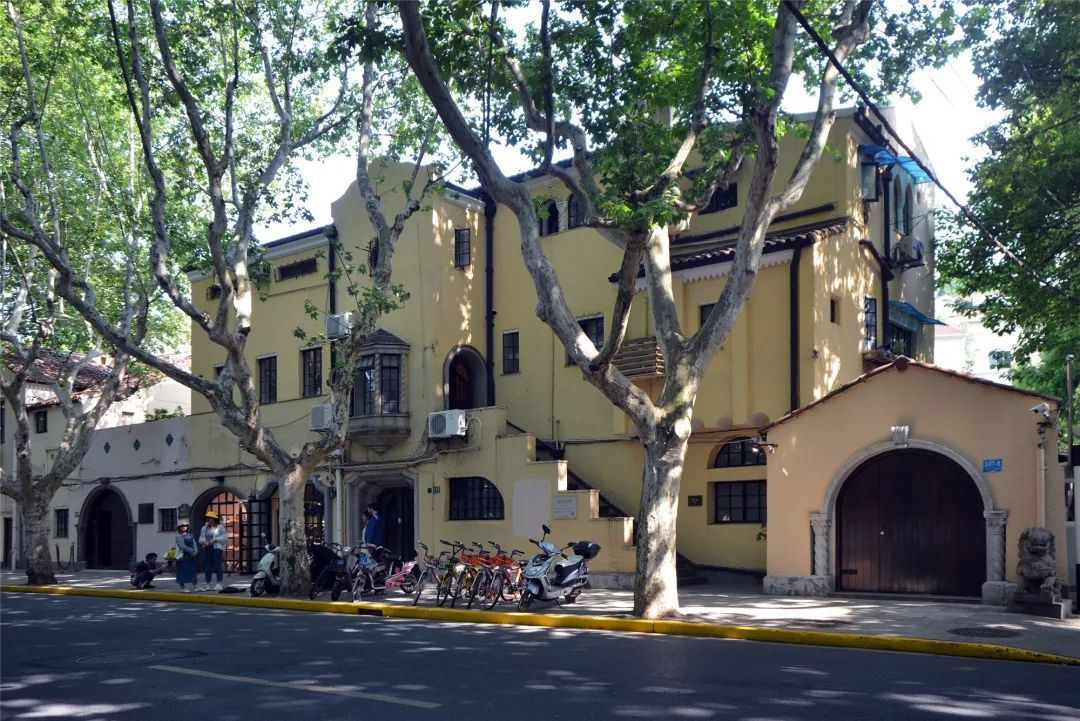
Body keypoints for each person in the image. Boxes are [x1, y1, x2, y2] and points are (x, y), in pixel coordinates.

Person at [198, 511, 227, 591]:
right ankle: (208, 584)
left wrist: (215, 540)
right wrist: (204, 542)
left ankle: (219, 584)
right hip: (207, 548)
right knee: (208, 566)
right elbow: (201, 538)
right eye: (207, 518)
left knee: (218, 565)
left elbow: (224, 537)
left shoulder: (220, 527)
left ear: (214, 519)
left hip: (217, 548)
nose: (208, 520)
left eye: (210, 518)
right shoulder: (204, 528)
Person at [174, 520, 197, 593]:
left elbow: (194, 543)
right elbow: (182, 546)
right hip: (183, 556)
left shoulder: (190, 535)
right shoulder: (178, 536)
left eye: (185, 525)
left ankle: (195, 587)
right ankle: (182, 588)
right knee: (182, 571)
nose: (184, 527)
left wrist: (195, 551)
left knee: (192, 571)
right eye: (182, 526)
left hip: (191, 556)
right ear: (179, 527)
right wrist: (191, 551)